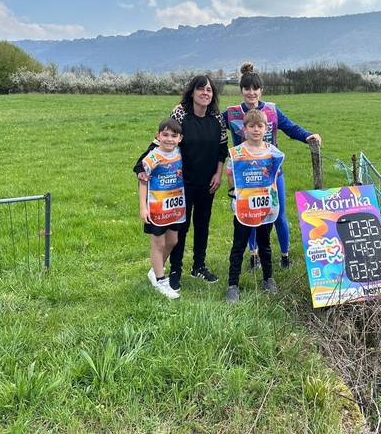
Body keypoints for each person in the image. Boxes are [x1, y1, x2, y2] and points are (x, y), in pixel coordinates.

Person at [223, 62, 321, 270]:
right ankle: (254, 255)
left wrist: (307, 136)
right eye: (247, 88)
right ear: (241, 90)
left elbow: (290, 127)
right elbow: (209, 123)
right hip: (246, 175)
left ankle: (285, 256)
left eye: (255, 88)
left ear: (261, 90)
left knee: (279, 215)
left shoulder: (272, 110)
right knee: (249, 215)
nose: (251, 92)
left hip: (272, 173)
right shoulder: (231, 113)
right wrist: (183, 110)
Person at [135, 75, 227, 292]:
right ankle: (175, 270)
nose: (205, 93)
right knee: (180, 229)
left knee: (203, 224)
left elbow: (222, 149)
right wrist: (141, 166)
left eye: (209, 90)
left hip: (208, 182)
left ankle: (199, 266)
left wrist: (218, 174)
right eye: (201, 89)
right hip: (182, 184)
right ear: (192, 92)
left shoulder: (217, 118)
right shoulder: (180, 113)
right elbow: (165, 141)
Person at [225, 109, 285, 303]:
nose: (256, 130)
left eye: (260, 126)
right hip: (244, 207)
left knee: (265, 244)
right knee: (238, 245)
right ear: (245, 129)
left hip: (266, 207)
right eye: (252, 126)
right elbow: (229, 173)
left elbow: (275, 174)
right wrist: (234, 193)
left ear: (266, 129)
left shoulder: (273, 152)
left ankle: (268, 279)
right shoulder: (237, 153)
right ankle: (233, 285)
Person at [134, 118, 184, 299]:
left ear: (180, 138)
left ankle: (155, 271)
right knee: (158, 243)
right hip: (156, 208)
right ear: (158, 136)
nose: (169, 139)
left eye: (174, 136)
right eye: (165, 135)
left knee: (173, 241)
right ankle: (161, 281)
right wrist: (143, 208)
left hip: (175, 207)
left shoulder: (180, 153)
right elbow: (143, 182)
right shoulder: (152, 157)